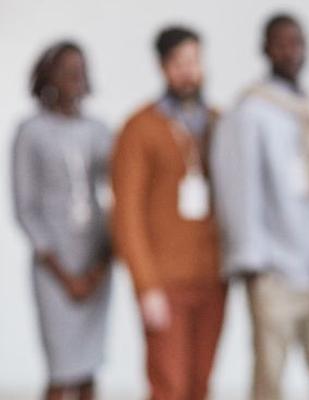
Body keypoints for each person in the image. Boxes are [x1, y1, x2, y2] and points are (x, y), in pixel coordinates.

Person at [211, 13, 309, 400]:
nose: (291, 51)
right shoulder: (250, 112)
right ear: (265, 48)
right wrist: (253, 262)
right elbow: (237, 190)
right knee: (270, 378)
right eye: (282, 42)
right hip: (276, 269)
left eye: (298, 42)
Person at [111, 26, 226, 400]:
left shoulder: (216, 123)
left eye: (194, 61)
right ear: (163, 68)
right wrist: (146, 285)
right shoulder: (140, 127)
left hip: (212, 276)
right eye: (179, 63)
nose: (188, 71)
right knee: (169, 383)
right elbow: (126, 213)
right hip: (165, 280)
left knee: (200, 382)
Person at [12, 41, 113, 400]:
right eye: (68, 69)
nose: (76, 77)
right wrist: (65, 275)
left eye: (81, 69)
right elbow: (25, 210)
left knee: (89, 367)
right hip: (55, 267)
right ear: (49, 74)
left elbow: (120, 190)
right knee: (62, 370)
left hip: (95, 261)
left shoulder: (99, 131)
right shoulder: (32, 131)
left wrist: (100, 267)